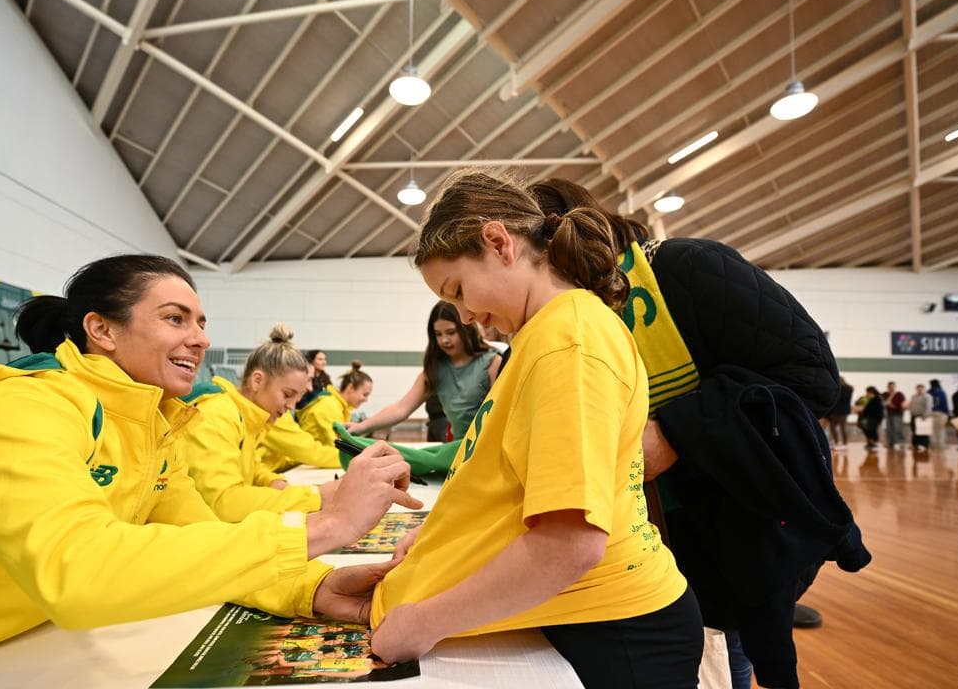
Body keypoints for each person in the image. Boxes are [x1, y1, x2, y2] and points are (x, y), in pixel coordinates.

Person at [0, 255, 420, 688]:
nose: (199, 339)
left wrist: (309, 587)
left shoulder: (153, 426)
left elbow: (195, 533)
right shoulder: (18, 408)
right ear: (101, 329)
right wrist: (327, 522)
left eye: (201, 321)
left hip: (27, 650)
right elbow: (77, 574)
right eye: (175, 319)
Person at [369, 169, 703, 688]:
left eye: (459, 289)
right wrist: (440, 538)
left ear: (499, 242)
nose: (467, 315)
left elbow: (570, 542)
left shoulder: (568, 342)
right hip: (591, 618)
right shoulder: (545, 334)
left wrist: (424, 623)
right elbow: (516, 485)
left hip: (617, 631)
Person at [530, 177, 868, 688]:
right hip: (629, 554)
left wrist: (674, 431)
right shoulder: (545, 324)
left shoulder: (687, 269)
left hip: (729, 540)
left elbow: (812, 377)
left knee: (724, 659)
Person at [179, 323, 336, 519]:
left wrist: (270, 481)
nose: (291, 406)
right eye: (287, 394)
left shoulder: (250, 418)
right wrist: (316, 497)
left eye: (297, 398)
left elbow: (250, 468)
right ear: (257, 381)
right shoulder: (215, 415)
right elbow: (224, 502)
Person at [347, 301, 501, 442]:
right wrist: (360, 427)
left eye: (451, 332)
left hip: (488, 447)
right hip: (459, 448)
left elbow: (502, 414)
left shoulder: (492, 363)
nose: (444, 340)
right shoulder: (435, 369)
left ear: (466, 329)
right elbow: (401, 408)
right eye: (438, 334)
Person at [298, 361, 374, 450]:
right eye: (365, 394)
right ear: (351, 388)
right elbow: (336, 445)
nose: (366, 399)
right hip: (305, 460)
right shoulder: (328, 406)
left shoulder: (340, 407)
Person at [827, 376, 854, 448]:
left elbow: (844, 399)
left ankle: (844, 443)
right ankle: (836, 442)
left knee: (842, 427)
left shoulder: (848, 388)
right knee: (832, 426)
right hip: (835, 410)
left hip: (843, 411)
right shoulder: (836, 388)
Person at [883, 381, 906, 450]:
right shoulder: (884, 394)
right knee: (889, 429)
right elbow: (881, 402)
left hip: (897, 414)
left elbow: (902, 404)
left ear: (895, 387)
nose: (891, 388)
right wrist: (886, 403)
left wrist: (892, 405)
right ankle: (890, 443)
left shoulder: (899, 394)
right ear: (887, 387)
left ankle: (899, 443)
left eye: (893, 387)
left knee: (897, 428)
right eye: (890, 387)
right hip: (888, 414)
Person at [927, 379, 949, 449]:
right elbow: (944, 403)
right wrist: (947, 413)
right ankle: (940, 445)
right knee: (940, 430)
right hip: (940, 413)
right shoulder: (941, 392)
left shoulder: (928, 392)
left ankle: (932, 445)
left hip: (930, 413)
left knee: (931, 430)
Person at [909, 384, 931, 450]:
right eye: (918, 388)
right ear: (916, 389)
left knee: (923, 432)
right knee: (914, 431)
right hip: (914, 416)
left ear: (924, 389)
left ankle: (924, 445)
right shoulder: (913, 396)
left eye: (921, 389)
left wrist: (925, 416)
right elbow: (911, 405)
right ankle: (915, 444)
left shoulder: (927, 396)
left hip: (922, 417)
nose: (919, 390)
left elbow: (928, 407)